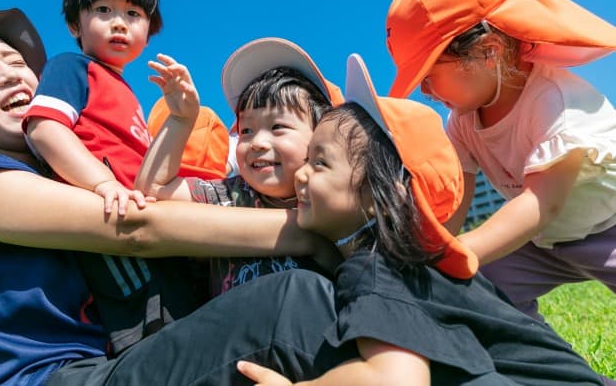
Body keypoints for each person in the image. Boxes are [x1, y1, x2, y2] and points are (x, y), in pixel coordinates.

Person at [0, 8, 355, 385]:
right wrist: (305, 232)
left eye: (16, 63)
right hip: (41, 379)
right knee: (292, 301)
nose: (8, 76)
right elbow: (135, 227)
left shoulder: (63, 173)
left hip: (104, 365)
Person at [237, 54, 604, 385]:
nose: (302, 174)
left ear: (379, 193)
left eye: (319, 163)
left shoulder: (378, 265)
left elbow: (395, 381)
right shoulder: (397, 261)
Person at [384, 0, 616, 319]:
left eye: (428, 74)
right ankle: (553, 369)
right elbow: (453, 202)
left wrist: (458, 252)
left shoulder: (555, 102)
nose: (424, 91)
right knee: (486, 284)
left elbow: (542, 204)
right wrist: (427, 256)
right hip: (542, 245)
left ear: (486, 51)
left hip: (608, 229)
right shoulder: (462, 120)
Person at [22, 0, 221, 353]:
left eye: (133, 13)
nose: (119, 22)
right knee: (151, 333)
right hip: (113, 231)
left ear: (149, 30)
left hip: (147, 226)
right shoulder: (72, 67)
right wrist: (102, 181)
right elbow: (44, 127)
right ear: (74, 25)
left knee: (187, 316)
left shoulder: (127, 91)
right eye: (103, 10)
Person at [137, 38, 344, 297]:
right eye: (246, 130)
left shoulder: (335, 202)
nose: (256, 142)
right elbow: (153, 189)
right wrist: (181, 119)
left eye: (278, 126)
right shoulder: (230, 196)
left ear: (321, 136)